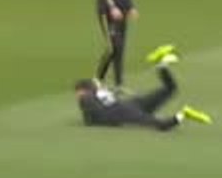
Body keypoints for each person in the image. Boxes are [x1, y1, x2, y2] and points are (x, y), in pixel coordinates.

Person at [76, 47, 212, 131]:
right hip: (130, 104)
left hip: (123, 112)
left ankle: (183, 114)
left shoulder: (86, 98)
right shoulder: (99, 90)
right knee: (170, 89)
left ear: (83, 90)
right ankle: (162, 66)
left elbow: (93, 117)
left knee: (161, 125)